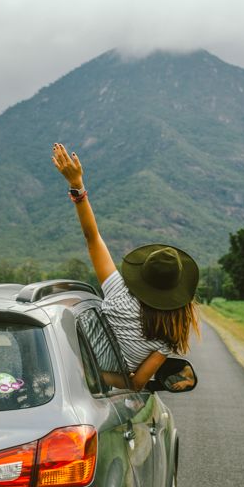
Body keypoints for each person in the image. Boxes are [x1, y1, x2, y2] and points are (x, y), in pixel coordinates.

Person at [51, 142, 200, 390]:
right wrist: (90, 375)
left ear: (141, 276)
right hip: (84, 386)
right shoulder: (166, 342)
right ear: (177, 294)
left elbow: (92, 238)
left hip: (58, 361)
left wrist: (77, 185)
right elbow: (137, 384)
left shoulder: (119, 293)